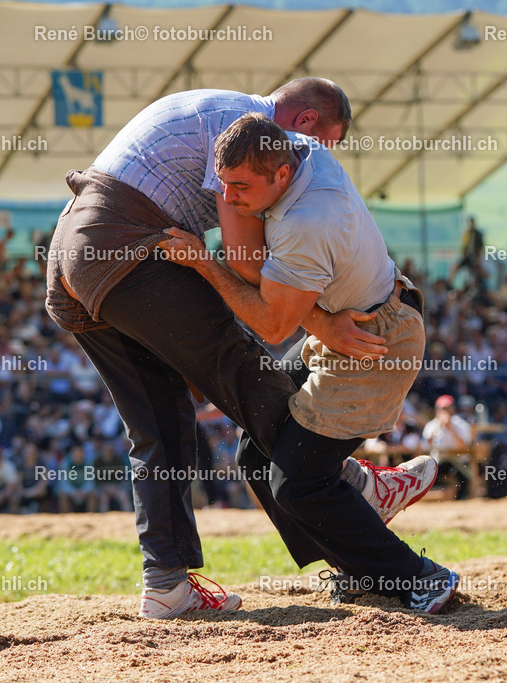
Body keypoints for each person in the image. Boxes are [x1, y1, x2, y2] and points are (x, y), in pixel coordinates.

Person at [45, 80, 434, 618]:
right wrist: (322, 324)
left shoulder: (221, 110)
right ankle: (352, 488)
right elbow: (246, 262)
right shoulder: (246, 135)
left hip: (74, 249)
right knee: (239, 365)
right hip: (130, 244)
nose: (319, 156)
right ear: (300, 125)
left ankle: (165, 584)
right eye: (324, 141)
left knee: (158, 424)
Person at [160, 113, 455, 615]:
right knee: (255, 453)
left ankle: (421, 578)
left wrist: (206, 264)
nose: (227, 199)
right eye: (222, 183)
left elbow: (274, 326)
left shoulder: (305, 223)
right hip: (353, 321)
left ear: (281, 175)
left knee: (298, 484)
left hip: (375, 343)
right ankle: (364, 523)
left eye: (239, 186)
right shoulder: (298, 149)